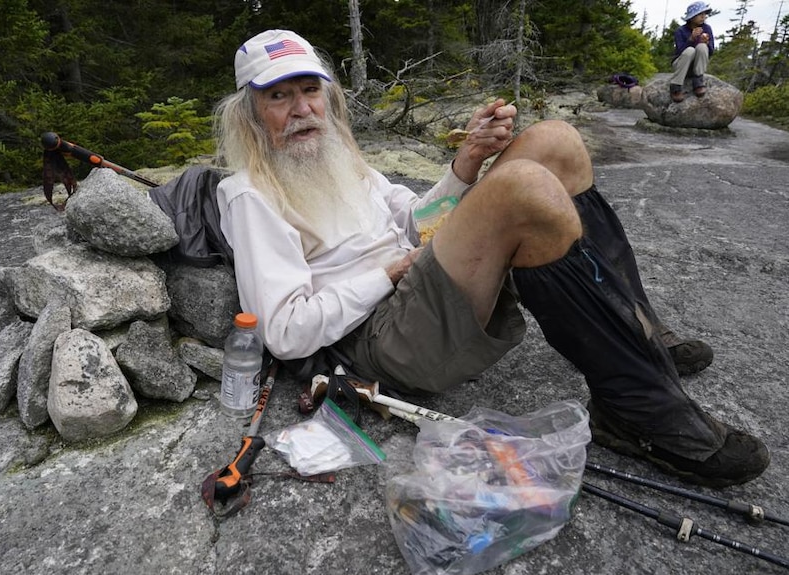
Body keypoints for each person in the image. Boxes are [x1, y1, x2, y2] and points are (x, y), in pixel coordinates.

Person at [214, 29, 769, 487]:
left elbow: (415, 223)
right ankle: (635, 410)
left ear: (328, 97)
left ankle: (643, 333)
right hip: (379, 339)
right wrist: (387, 273)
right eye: (278, 96)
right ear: (251, 114)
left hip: (419, 285)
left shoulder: (340, 159)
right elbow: (284, 332)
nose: (300, 108)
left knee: (555, 140)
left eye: (309, 89)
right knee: (523, 186)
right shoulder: (252, 194)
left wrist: (467, 161)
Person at [671, 2, 715, 102]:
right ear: (692, 17)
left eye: (705, 14)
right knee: (690, 50)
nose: (703, 17)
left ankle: (698, 81)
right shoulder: (680, 31)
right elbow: (679, 51)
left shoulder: (707, 28)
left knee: (702, 47)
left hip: (696, 66)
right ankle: (676, 86)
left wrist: (707, 43)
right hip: (681, 64)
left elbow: (711, 51)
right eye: (700, 14)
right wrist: (691, 39)